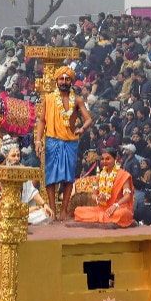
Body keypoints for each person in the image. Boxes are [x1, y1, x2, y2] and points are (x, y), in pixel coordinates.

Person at [34, 66, 92, 221]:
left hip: (70, 142)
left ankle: (64, 210)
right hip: (52, 140)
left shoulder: (77, 100)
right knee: (51, 176)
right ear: (57, 80)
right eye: (61, 79)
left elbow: (89, 119)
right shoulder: (49, 99)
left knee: (68, 177)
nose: (64, 82)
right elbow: (41, 121)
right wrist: (38, 141)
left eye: (67, 79)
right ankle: (53, 209)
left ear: (71, 81)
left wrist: (82, 129)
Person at [73, 142, 135, 227]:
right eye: (103, 159)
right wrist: (98, 198)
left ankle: (101, 218)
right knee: (78, 210)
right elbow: (94, 195)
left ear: (115, 158)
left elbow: (127, 196)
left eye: (108, 159)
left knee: (122, 214)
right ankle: (104, 217)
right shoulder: (100, 176)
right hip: (103, 209)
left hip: (118, 208)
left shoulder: (123, 175)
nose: (104, 162)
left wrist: (116, 205)